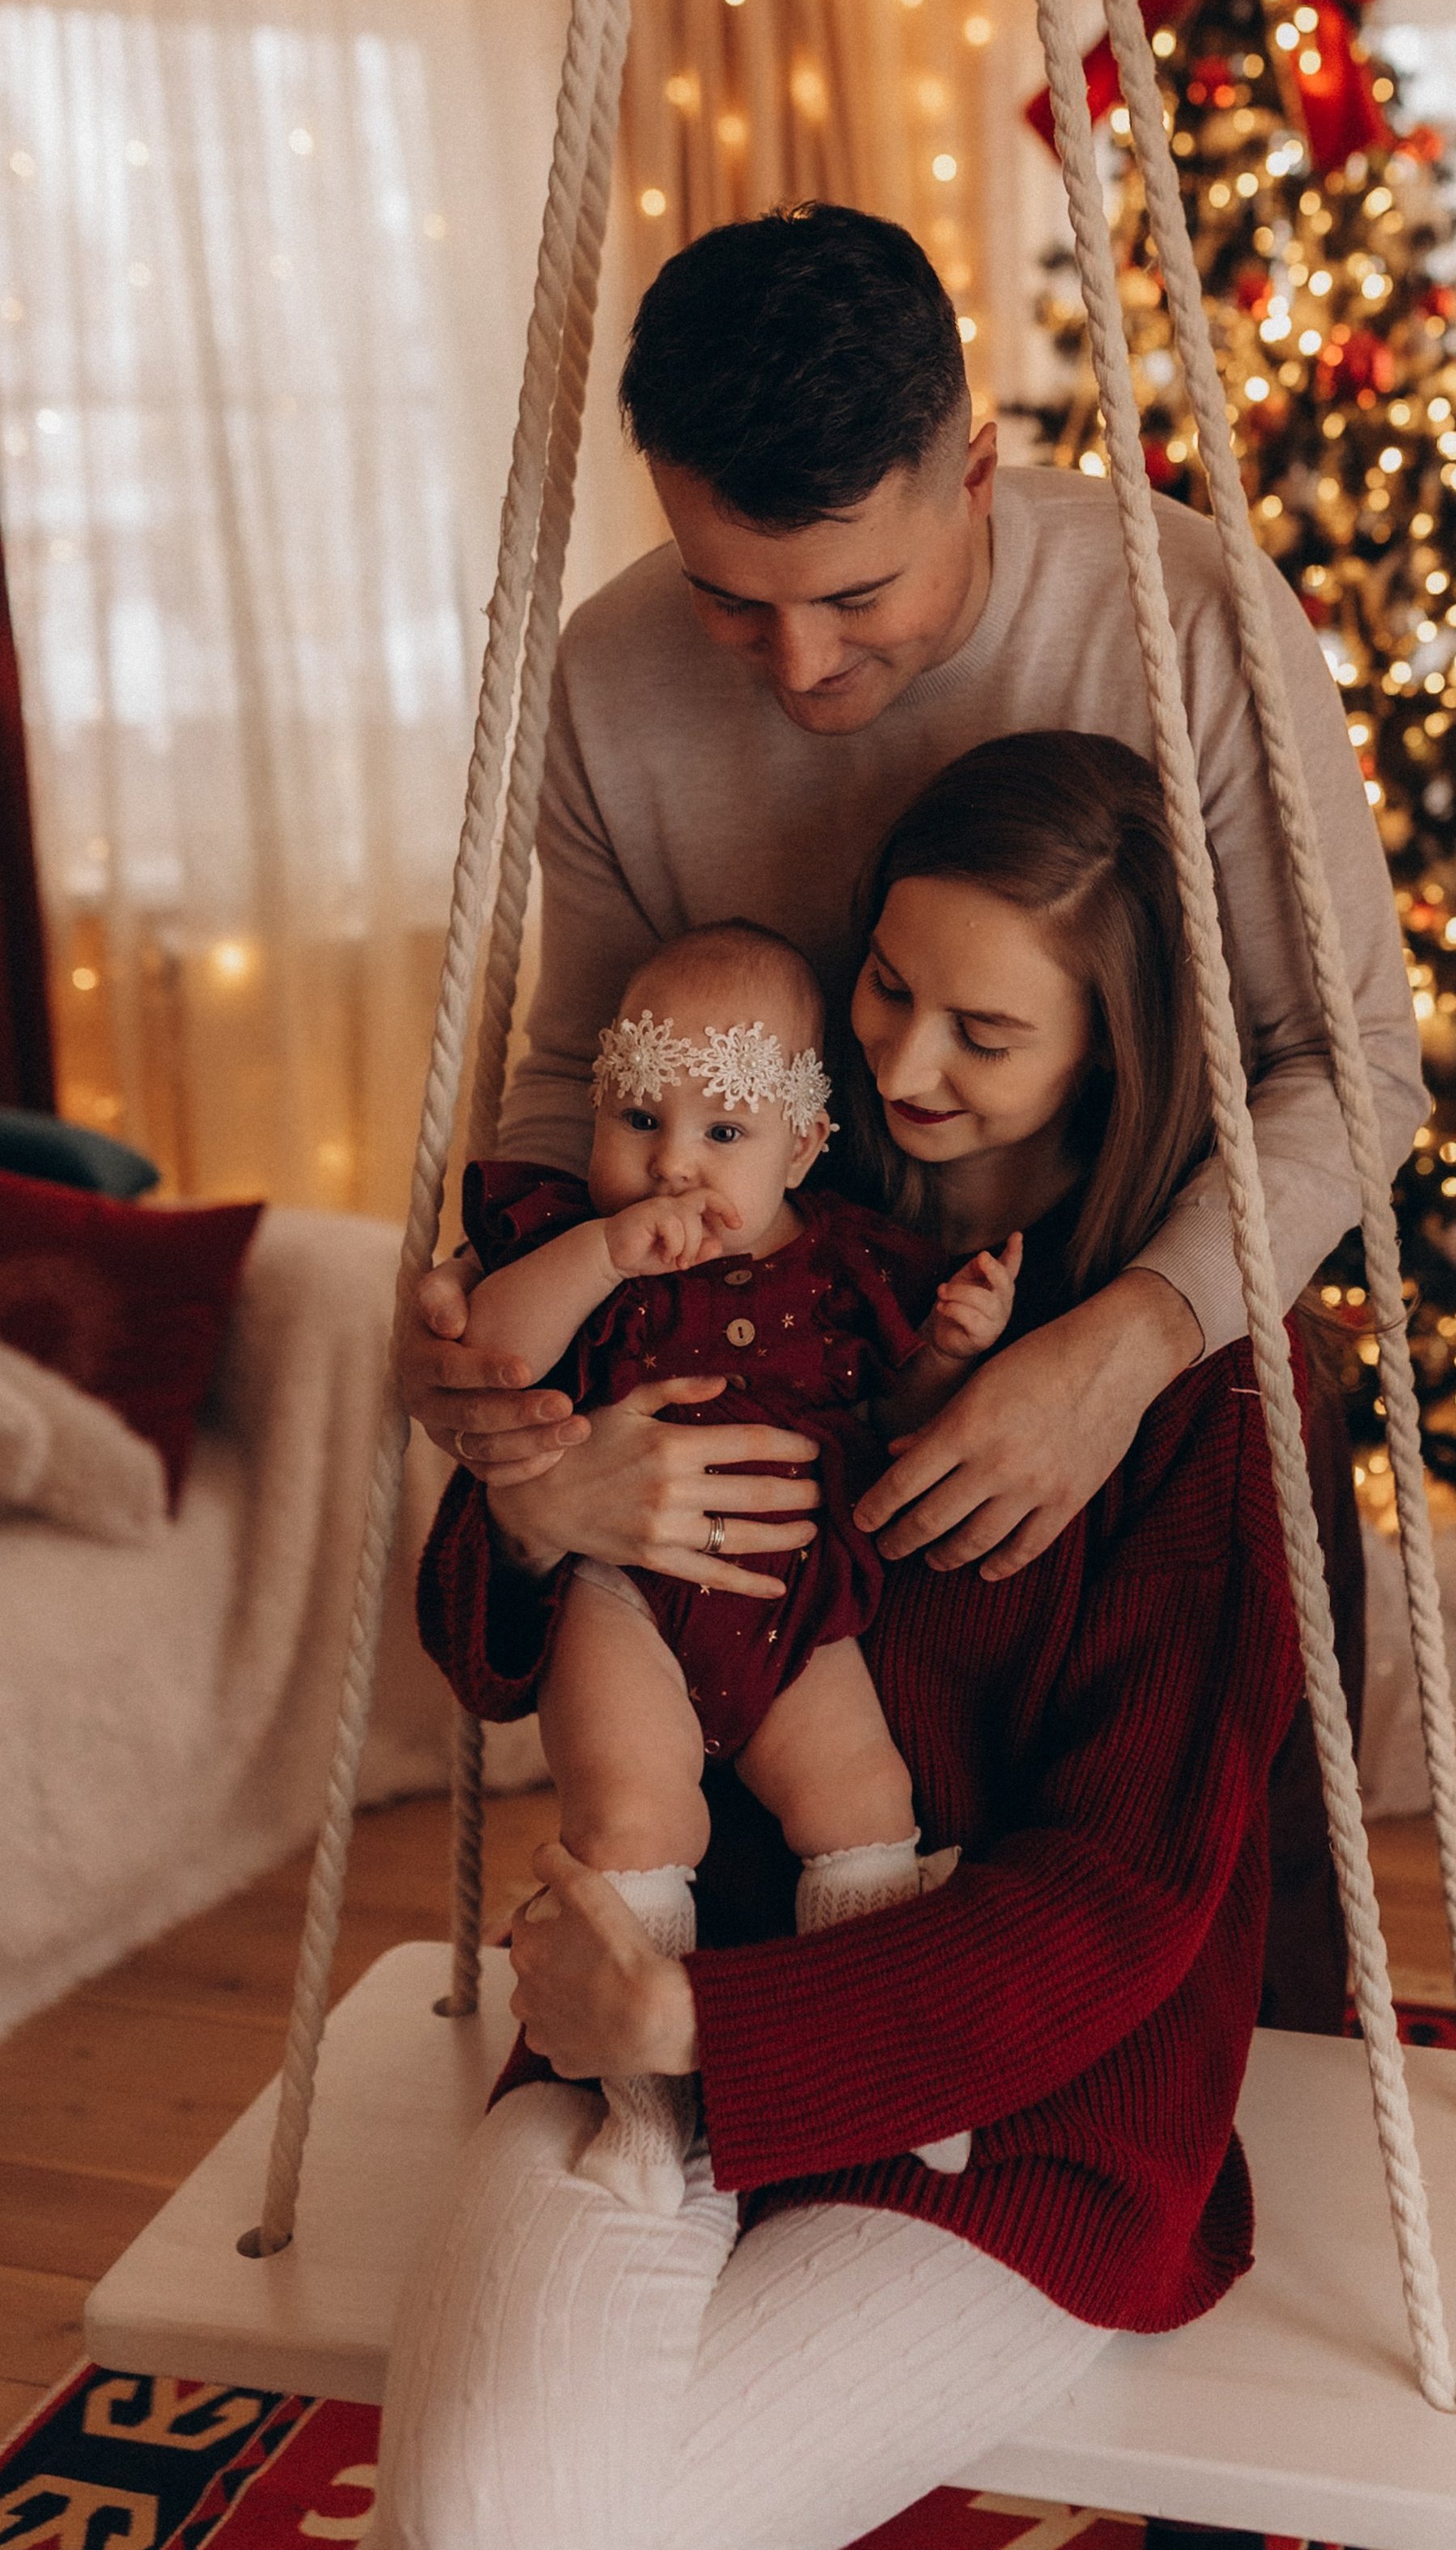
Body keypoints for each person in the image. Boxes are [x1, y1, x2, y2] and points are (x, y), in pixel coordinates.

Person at [398, 200, 1424, 2020]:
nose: (797, 671)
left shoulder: (1187, 622)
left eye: (855, 597)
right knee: (738, 1971)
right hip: (767, 1411)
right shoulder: (602, 680)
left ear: (975, 467)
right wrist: (527, 1361)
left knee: (1169, 1963)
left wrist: (1121, 1351)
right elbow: (578, 1068)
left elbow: (1346, 1068)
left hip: (1138, 1360)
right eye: (731, 597)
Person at [381, 735, 1308, 2550]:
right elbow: (480, 1649)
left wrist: (704, 2025)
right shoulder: (716, 1233)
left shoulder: (1199, 1400)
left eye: (985, 1031)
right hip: (635, 1994)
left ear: (1105, 1049)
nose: (897, 1065)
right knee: (486, 2514)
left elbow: (1125, 1893)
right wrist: (535, 1507)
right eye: (885, 990)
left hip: (1018, 2113)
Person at [452, 917, 1017, 2209]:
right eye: (639, 1118)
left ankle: (883, 2081)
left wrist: (950, 1353)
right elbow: (487, 1354)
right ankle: (643, 2111)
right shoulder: (565, 1245)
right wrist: (593, 1256)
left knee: (864, 1801)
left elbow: (889, 1417)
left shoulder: (840, 1263)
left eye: (724, 1134)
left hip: (791, 1603)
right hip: (621, 1599)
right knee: (633, 1822)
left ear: (804, 1148)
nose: (671, 1167)